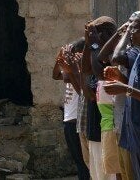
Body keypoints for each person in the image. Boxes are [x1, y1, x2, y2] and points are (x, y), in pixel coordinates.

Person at [103, 11, 140, 180]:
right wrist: (120, 80)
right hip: (134, 135)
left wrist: (124, 89)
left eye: (136, 29)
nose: (131, 32)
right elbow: (131, 86)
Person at [99, 12, 140, 180]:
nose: (129, 29)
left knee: (130, 173)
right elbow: (103, 56)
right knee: (123, 172)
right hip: (121, 121)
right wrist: (119, 34)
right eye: (128, 25)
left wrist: (123, 35)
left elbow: (115, 57)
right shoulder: (129, 50)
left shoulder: (134, 53)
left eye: (133, 26)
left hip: (130, 122)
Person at [82, 16, 118, 180]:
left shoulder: (116, 58)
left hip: (112, 131)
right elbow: (86, 72)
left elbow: (99, 73)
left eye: (97, 34)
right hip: (97, 130)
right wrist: (88, 45)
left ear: (108, 34)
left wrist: (94, 45)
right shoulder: (96, 56)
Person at [54, 38, 90, 180]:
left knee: (84, 163)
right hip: (69, 120)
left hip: (77, 120)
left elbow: (82, 92)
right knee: (79, 162)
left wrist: (72, 69)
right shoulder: (71, 71)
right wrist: (59, 59)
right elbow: (55, 75)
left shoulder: (81, 72)